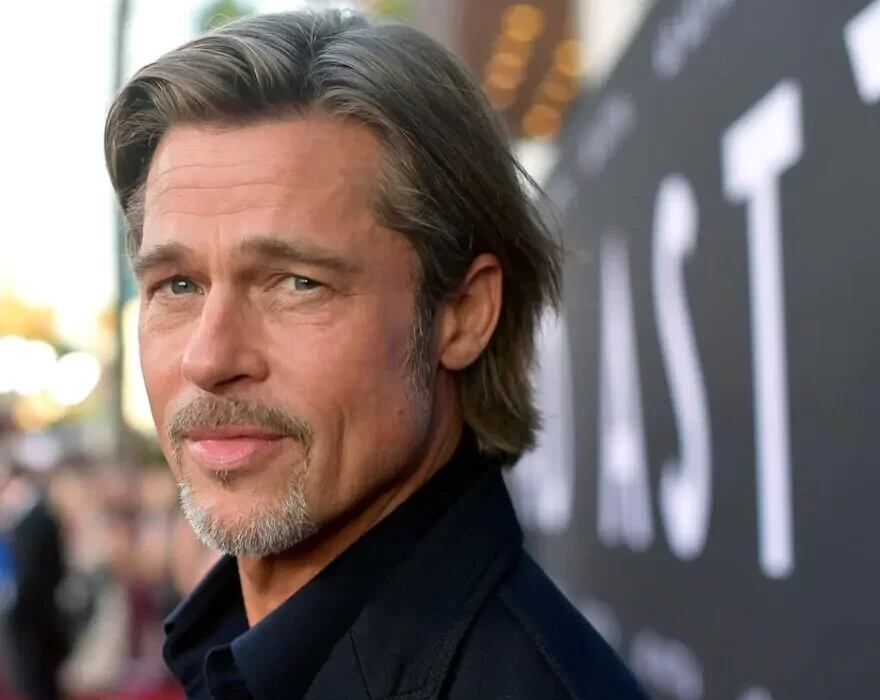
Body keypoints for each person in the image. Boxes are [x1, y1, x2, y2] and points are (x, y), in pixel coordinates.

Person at [104, 10, 647, 700]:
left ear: (464, 313)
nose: (209, 359)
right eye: (177, 286)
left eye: (297, 283)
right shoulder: (239, 649)